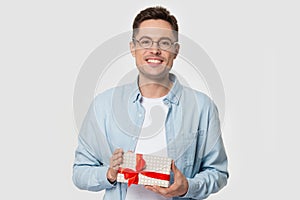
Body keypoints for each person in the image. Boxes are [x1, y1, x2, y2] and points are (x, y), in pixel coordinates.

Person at [73, 6, 229, 200]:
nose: (155, 50)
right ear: (133, 47)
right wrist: (110, 174)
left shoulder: (201, 107)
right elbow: (80, 172)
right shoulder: (103, 106)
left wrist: (188, 186)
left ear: (175, 50)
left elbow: (218, 172)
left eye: (164, 43)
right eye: (145, 42)